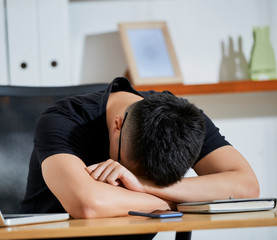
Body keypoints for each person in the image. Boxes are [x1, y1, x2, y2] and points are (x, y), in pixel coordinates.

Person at [21, 77, 259, 239]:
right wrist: (183, 202)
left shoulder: (184, 121)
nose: (130, 181)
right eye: (129, 169)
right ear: (118, 125)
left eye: (159, 184)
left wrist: (142, 185)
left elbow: (247, 187)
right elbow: (88, 205)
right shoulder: (63, 120)